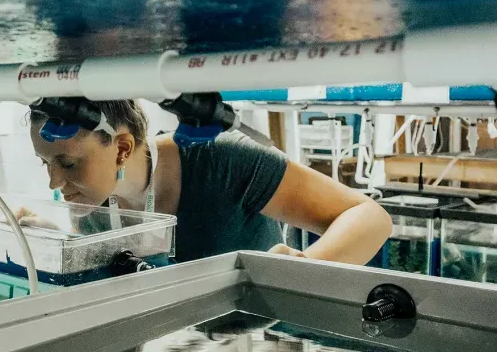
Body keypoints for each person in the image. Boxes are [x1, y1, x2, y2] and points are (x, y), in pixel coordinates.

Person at [23, 100, 392, 265]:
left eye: (67, 163)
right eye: (45, 164)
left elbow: (369, 215)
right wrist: (59, 241)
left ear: (121, 149)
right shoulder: (91, 203)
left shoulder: (222, 160)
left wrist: (307, 269)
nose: (56, 180)